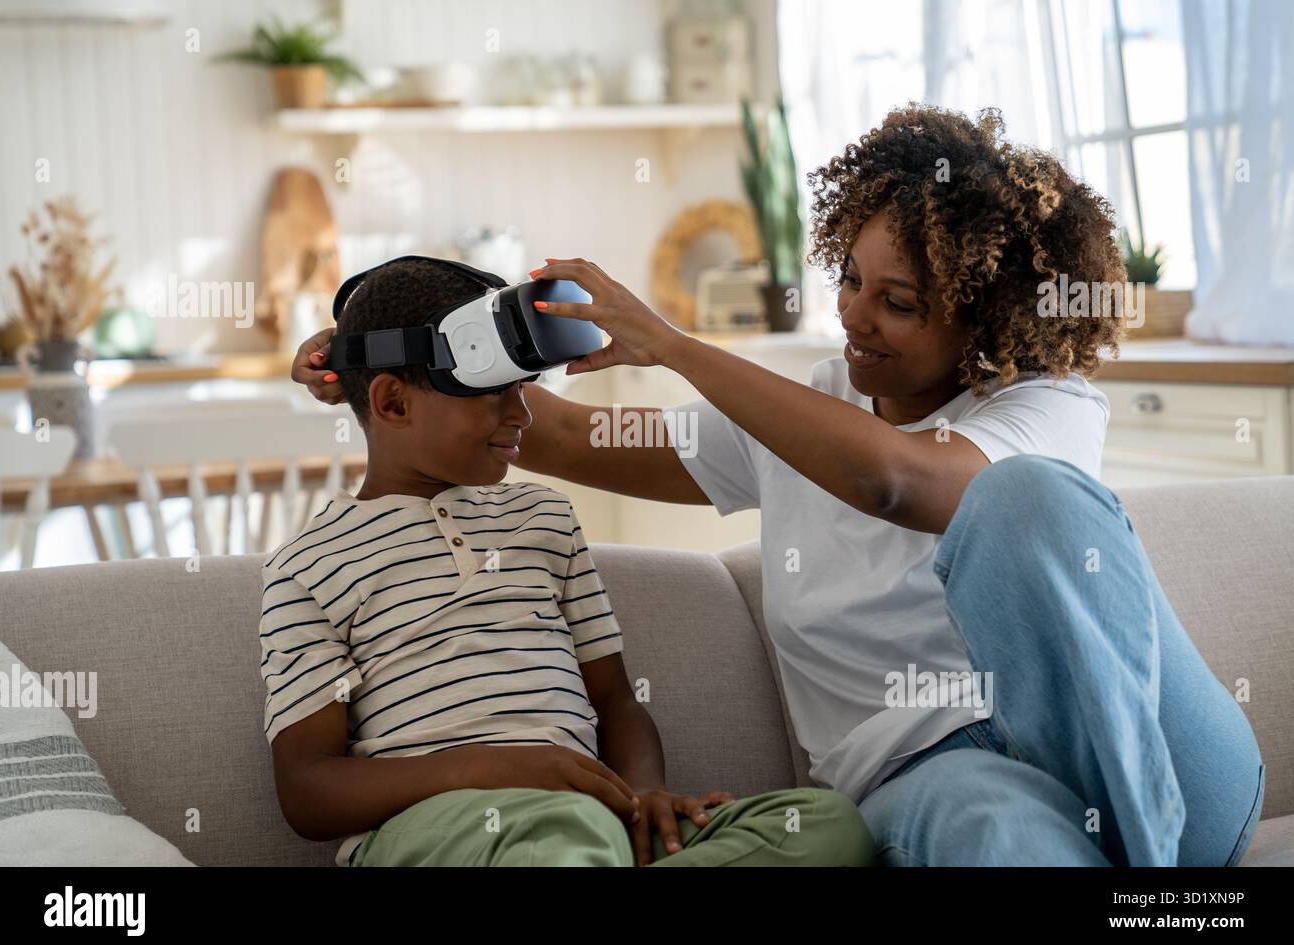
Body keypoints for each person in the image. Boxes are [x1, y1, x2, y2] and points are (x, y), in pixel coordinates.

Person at [293, 105, 1264, 866]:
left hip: (1162, 758)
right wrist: (387, 364)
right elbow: (575, 436)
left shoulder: (1043, 404)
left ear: (987, 317)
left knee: (1024, 500)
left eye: (899, 303)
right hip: (942, 774)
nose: (856, 318)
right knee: (989, 823)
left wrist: (670, 344)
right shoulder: (792, 416)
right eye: (849, 278)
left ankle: (1154, 872)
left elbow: (894, 480)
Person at [261, 257, 872, 867]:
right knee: (568, 833)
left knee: (826, 825)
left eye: (523, 390)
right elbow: (308, 790)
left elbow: (616, 704)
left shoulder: (544, 519)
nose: (523, 416)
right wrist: (491, 768)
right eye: (494, 394)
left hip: (588, 824)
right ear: (392, 403)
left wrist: (641, 796)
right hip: (437, 834)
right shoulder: (308, 566)